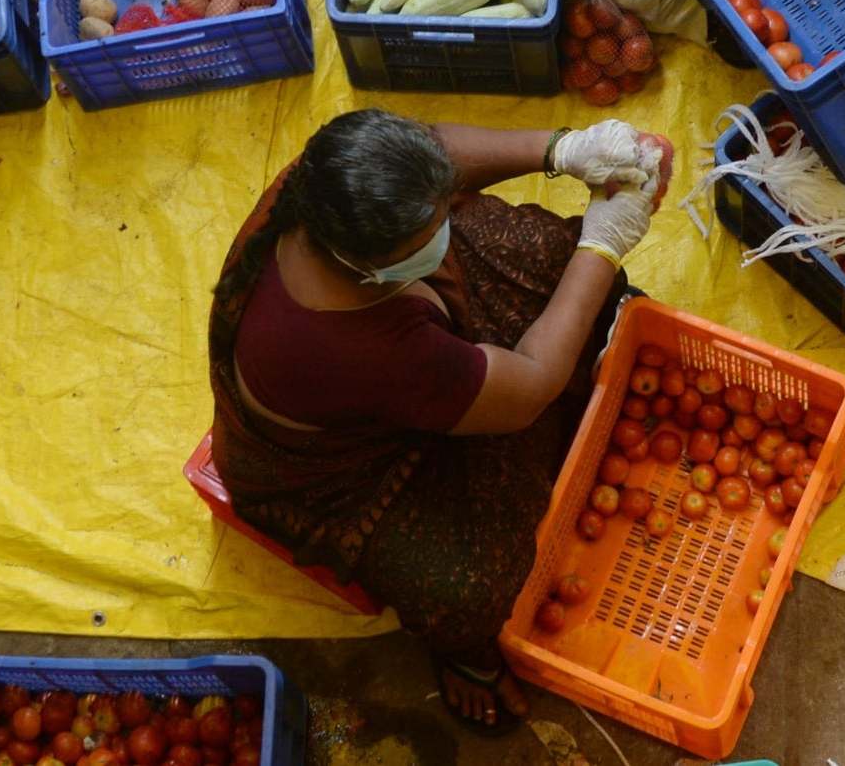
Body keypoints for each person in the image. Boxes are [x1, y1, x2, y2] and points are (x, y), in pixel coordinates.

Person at [208, 110, 669, 733]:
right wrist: (605, 243)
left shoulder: (334, 181)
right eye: (428, 230)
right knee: (472, 581)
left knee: (553, 260)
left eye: (439, 206)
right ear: (367, 263)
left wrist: (562, 149)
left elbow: (439, 148)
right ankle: (463, 657)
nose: (447, 219)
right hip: (346, 475)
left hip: (409, 332)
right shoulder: (358, 347)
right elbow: (530, 386)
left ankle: (582, 311)